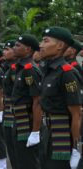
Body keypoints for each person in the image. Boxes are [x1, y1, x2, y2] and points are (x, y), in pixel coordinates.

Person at [39, 26, 82, 169]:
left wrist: (76, 149)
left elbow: (76, 113)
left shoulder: (67, 73)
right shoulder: (48, 70)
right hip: (46, 131)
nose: (40, 45)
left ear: (60, 46)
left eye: (45, 41)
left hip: (61, 135)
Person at [12, 34, 43, 169]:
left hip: (27, 121)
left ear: (28, 49)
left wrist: (35, 131)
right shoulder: (22, 67)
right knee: (20, 157)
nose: (14, 48)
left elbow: (37, 101)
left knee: (28, 161)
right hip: (19, 118)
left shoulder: (30, 70)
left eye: (18, 46)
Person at [2, 40, 19, 169]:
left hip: (16, 112)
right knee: (11, 146)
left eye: (8, 49)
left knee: (18, 151)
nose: (5, 52)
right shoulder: (9, 67)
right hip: (8, 108)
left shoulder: (16, 69)